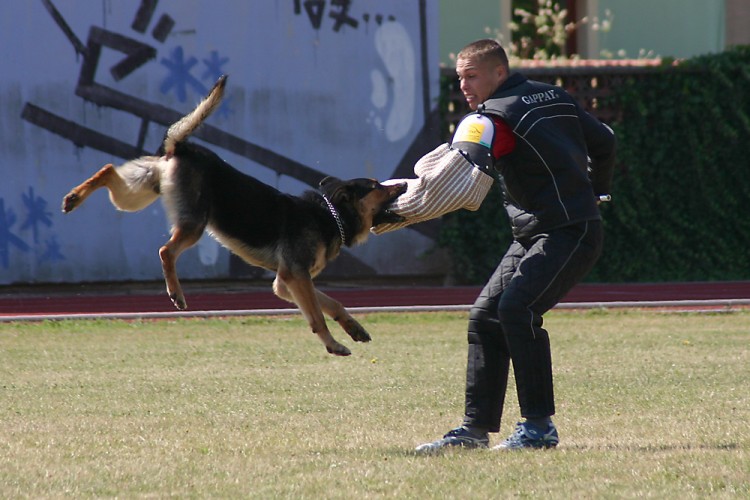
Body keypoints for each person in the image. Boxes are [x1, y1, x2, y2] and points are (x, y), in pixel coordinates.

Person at [410, 39, 616, 452]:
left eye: (472, 76)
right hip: (546, 230)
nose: (464, 86)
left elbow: (457, 172)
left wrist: (402, 207)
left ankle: (539, 428)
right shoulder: (554, 94)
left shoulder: (493, 117)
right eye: (460, 78)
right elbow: (605, 139)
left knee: (516, 309)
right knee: (486, 315)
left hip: (568, 232)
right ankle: (474, 431)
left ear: (499, 73)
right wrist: (599, 191)